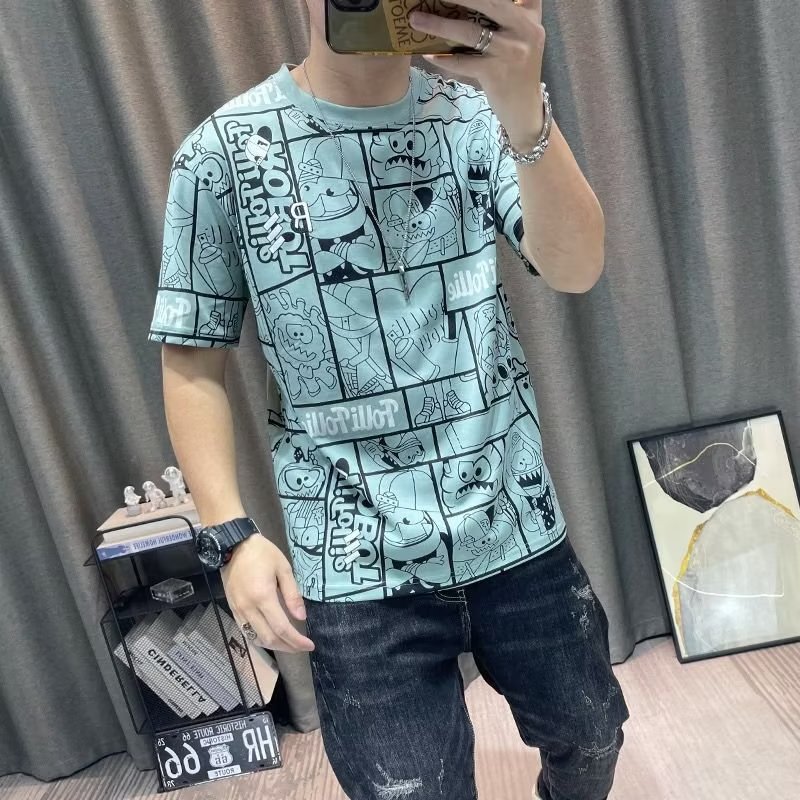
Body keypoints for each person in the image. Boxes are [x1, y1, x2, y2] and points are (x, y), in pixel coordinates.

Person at [147, 1, 630, 797]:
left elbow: (575, 268)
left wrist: (523, 108)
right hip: (354, 560)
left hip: (512, 520)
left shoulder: (479, 119)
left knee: (592, 737)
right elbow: (193, 358)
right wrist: (230, 536)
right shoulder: (220, 155)